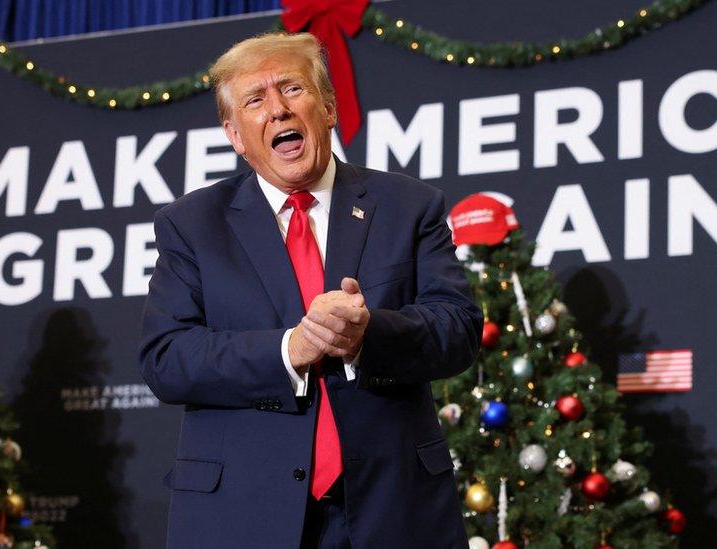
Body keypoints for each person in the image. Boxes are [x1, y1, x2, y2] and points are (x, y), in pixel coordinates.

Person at [139, 32, 482, 548]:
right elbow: (167, 358)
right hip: (243, 513)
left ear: (327, 108)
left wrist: (367, 336)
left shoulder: (408, 205)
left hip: (391, 509)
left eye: (292, 89)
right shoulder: (191, 225)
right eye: (256, 100)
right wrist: (290, 349)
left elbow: (457, 327)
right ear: (235, 134)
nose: (277, 110)